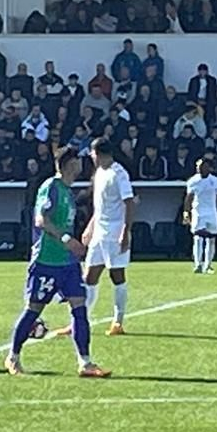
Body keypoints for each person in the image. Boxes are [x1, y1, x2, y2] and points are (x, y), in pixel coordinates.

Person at [7, 147, 110, 378]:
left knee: (80, 308)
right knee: (33, 310)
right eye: (77, 162)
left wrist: (77, 241)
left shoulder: (67, 192)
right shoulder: (51, 187)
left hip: (67, 263)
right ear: (68, 164)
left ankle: (85, 362)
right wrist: (66, 240)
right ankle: (13, 356)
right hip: (47, 260)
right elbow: (41, 220)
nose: (81, 165)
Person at [82, 137, 136, 334]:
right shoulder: (99, 173)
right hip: (99, 231)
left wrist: (125, 230)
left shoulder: (118, 173)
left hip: (114, 231)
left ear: (99, 154)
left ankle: (118, 321)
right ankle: (81, 321)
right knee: (89, 276)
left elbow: (129, 202)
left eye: (92, 153)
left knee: (117, 275)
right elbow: (100, 206)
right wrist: (90, 226)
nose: (90, 157)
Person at [183, 156, 217, 274]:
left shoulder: (216, 181)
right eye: (198, 166)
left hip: (212, 212)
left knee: (211, 239)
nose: (200, 169)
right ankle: (197, 264)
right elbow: (188, 198)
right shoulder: (193, 181)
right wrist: (186, 212)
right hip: (198, 212)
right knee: (197, 238)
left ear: (209, 168)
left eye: (202, 166)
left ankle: (208, 265)